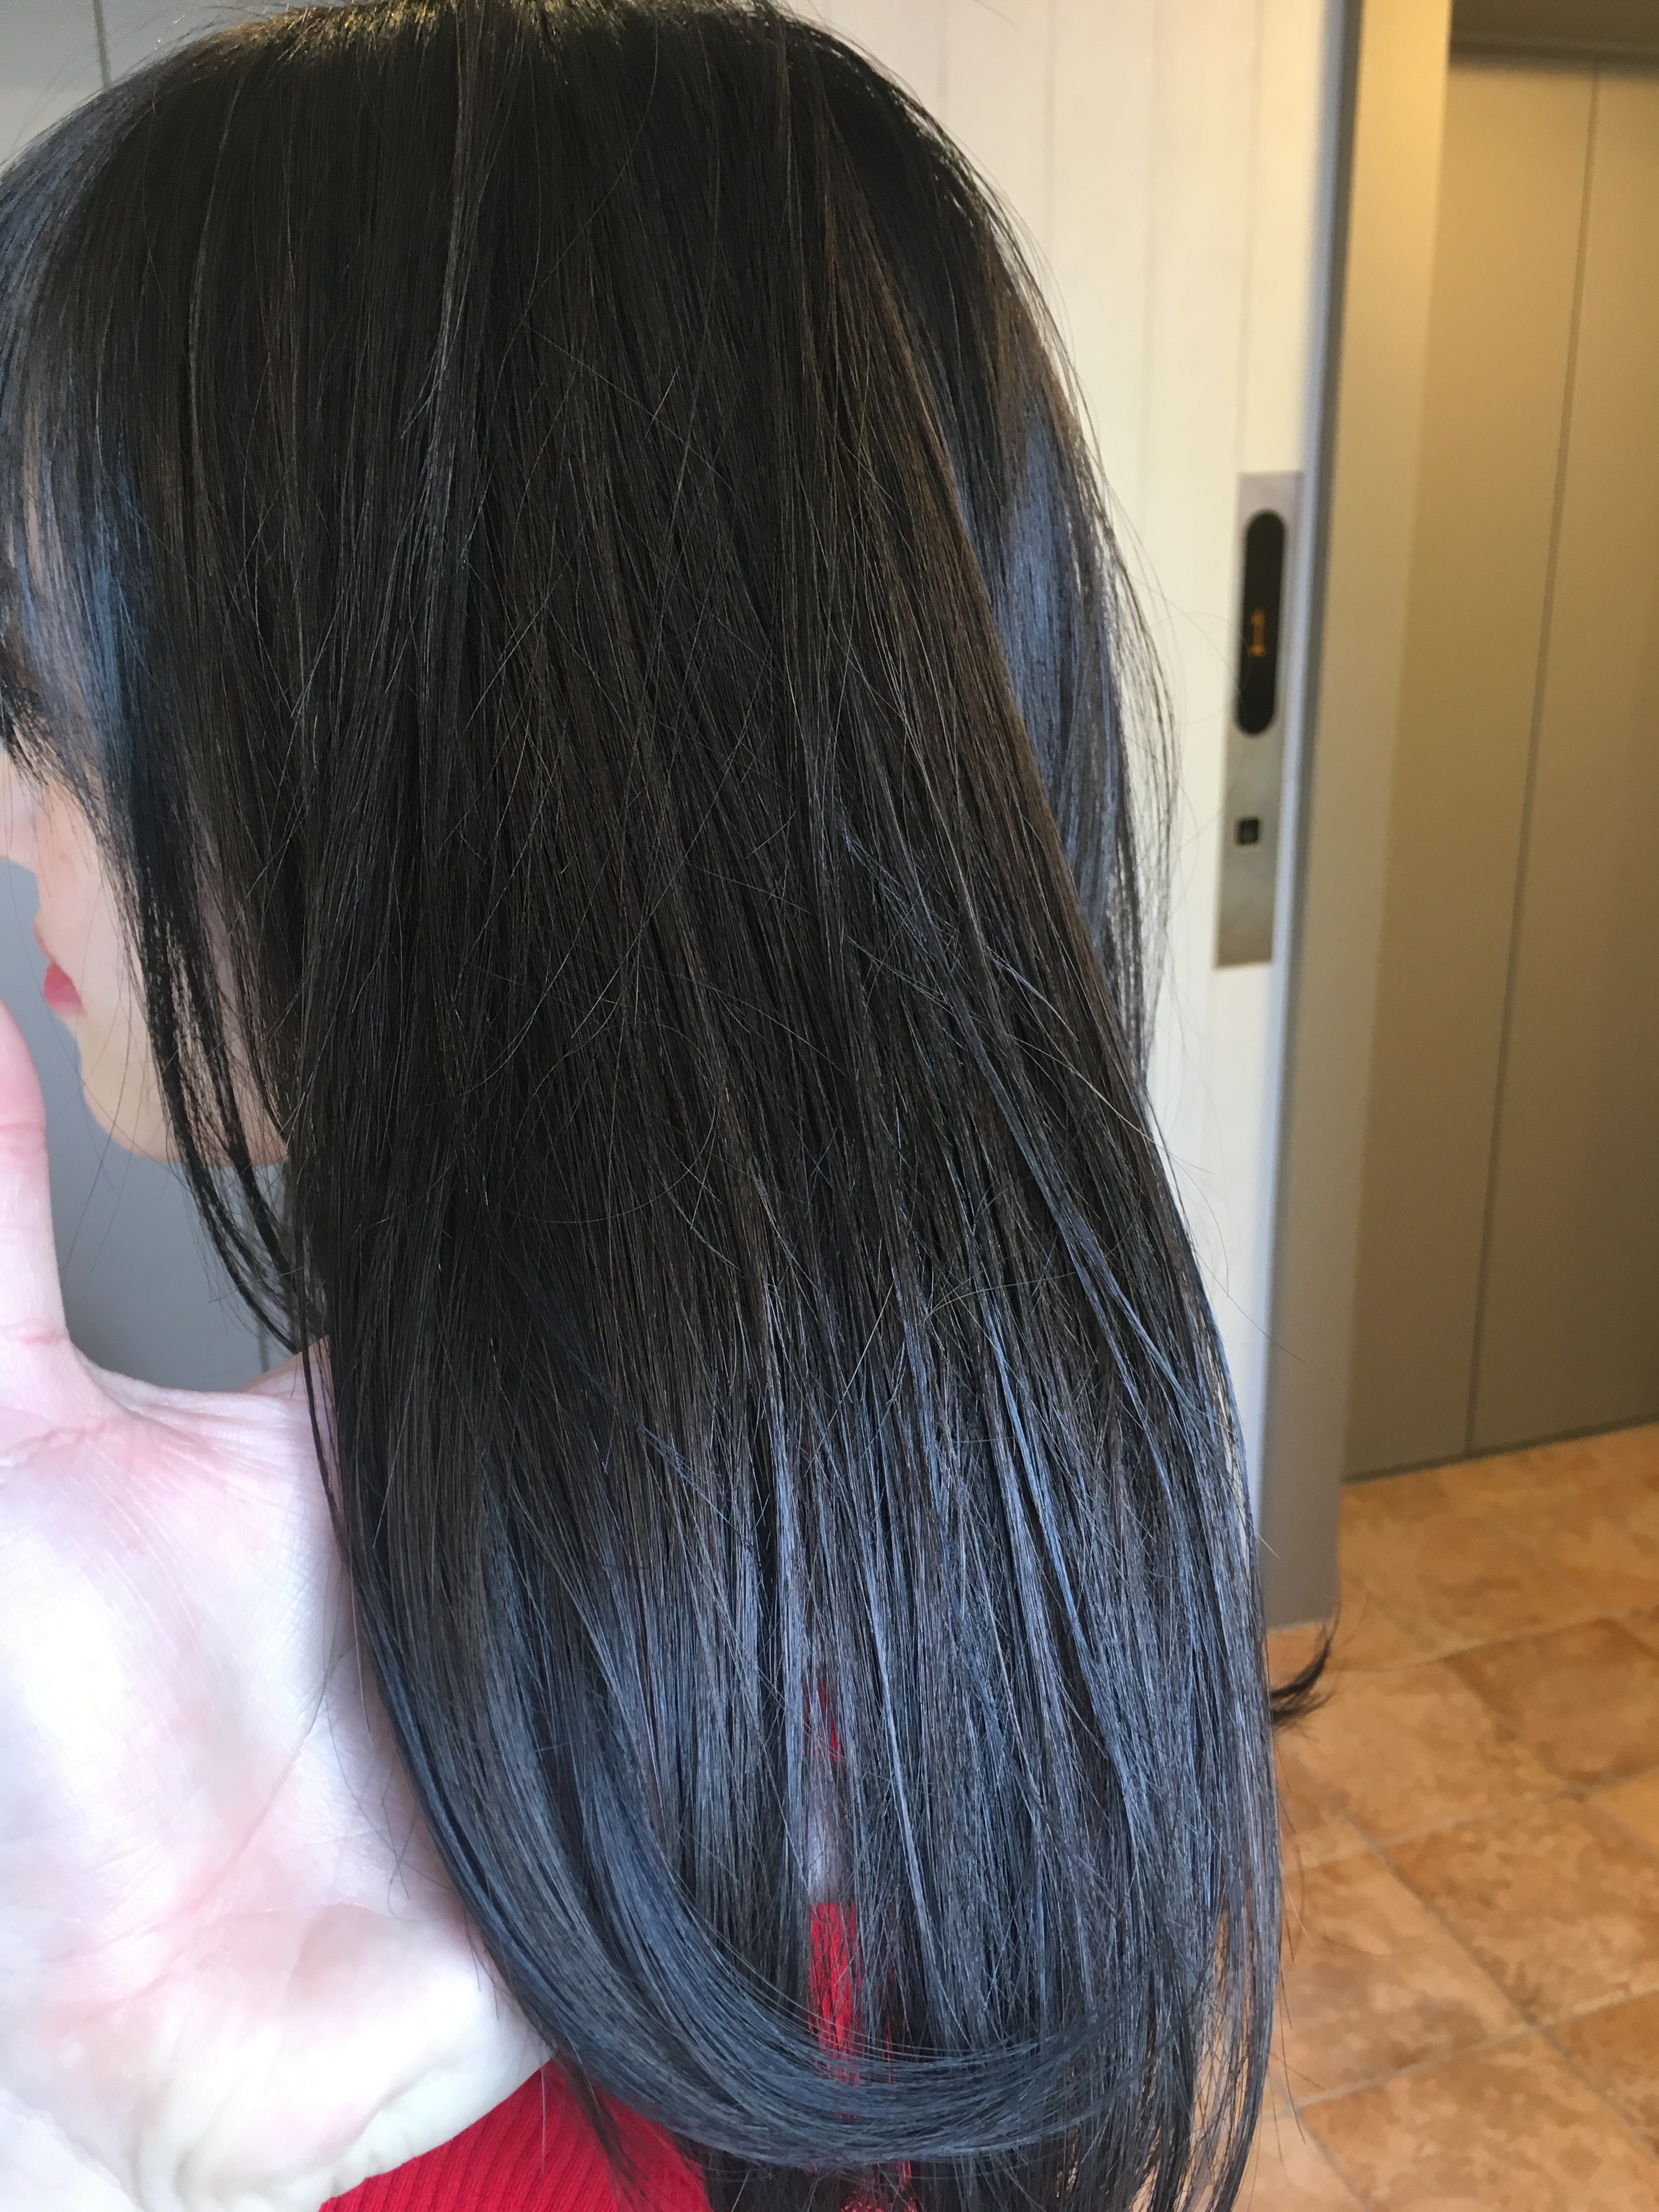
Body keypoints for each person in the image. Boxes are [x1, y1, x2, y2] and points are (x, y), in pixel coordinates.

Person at [0, 2, 1310, 2207]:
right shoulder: (972, 1619)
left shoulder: (483, 2043)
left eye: (49, 692)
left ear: (482, 761)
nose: (16, 807)